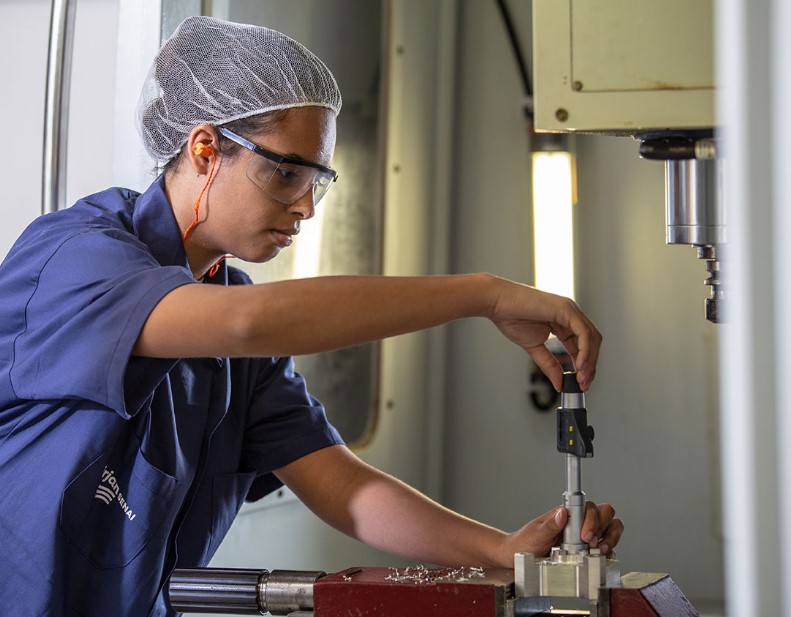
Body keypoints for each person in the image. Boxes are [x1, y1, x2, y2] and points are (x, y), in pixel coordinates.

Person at [0, 16, 621, 617]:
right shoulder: (78, 259)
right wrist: (484, 295)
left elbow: (343, 489)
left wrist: (501, 551)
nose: (305, 207)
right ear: (206, 148)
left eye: (316, 179)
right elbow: (248, 322)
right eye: (285, 171)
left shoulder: (234, 330)